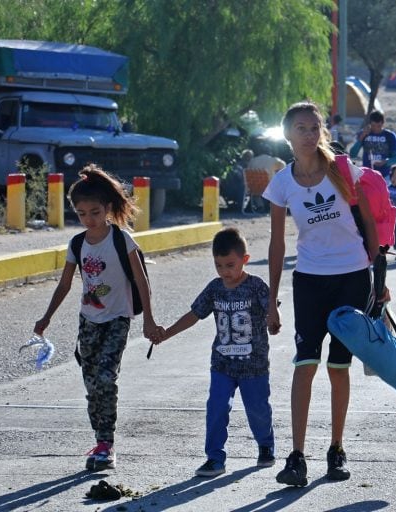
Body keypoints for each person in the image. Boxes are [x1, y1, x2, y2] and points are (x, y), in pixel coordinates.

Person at [264, 101, 379, 487]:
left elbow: (366, 220)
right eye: (301, 128)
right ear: (288, 135)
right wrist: (271, 300)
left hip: (352, 276)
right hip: (310, 280)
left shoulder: (341, 169)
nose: (309, 134)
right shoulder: (281, 183)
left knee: (338, 366)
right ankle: (296, 456)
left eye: (314, 127)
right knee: (305, 362)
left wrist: (377, 276)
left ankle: (336, 449)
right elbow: (277, 245)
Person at [34, 164, 158, 472]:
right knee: (91, 385)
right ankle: (99, 440)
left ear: (108, 209)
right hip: (88, 320)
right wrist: (46, 317)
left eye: (95, 211)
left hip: (117, 318)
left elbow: (142, 281)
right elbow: (65, 284)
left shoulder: (122, 240)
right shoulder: (77, 244)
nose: (89, 219)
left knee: (105, 377)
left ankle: (107, 443)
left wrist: (148, 321)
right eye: (82, 213)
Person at [151, 228, 276, 478]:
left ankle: (265, 446)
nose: (224, 271)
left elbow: (272, 309)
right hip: (222, 364)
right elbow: (194, 315)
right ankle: (215, 458)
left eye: (230, 265)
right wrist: (168, 333)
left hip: (254, 366)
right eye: (218, 265)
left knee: (258, 409)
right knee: (216, 408)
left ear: (245, 259)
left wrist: (274, 321)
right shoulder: (215, 288)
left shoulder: (256, 286)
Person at [349, 109, 396, 257]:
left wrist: (386, 161)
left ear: (382, 124)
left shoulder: (389, 136)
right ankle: (369, 244)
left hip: (385, 177)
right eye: (374, 126)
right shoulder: (364, 134)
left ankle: (391, 242)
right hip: (367, 180)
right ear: (370, 124)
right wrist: (361, 138)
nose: (376, 129)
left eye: (379, 126)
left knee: (387, 211)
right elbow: (352, 153)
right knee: (368, 212)